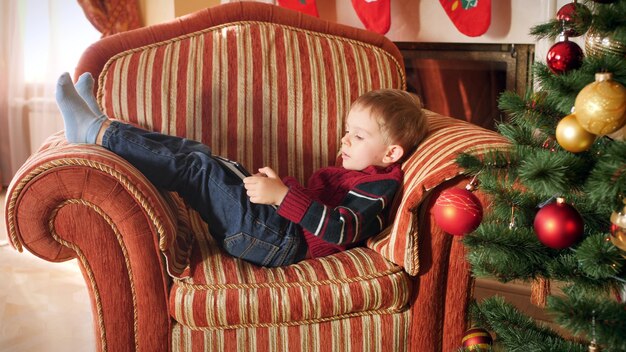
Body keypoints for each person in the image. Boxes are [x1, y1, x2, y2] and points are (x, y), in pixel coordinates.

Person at [55, 72, 429, 267]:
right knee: (200, 155)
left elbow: (341, 229)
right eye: (347, 131)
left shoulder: (379, 188)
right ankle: (101, 126)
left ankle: (96, 132)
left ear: (391, 153)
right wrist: (280, 192)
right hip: (275, 228)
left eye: (358, 136)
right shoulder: (364, 173)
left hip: (277, 244)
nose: (345, 141)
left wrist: (284, 196)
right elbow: (318, 210)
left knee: (197, 169)